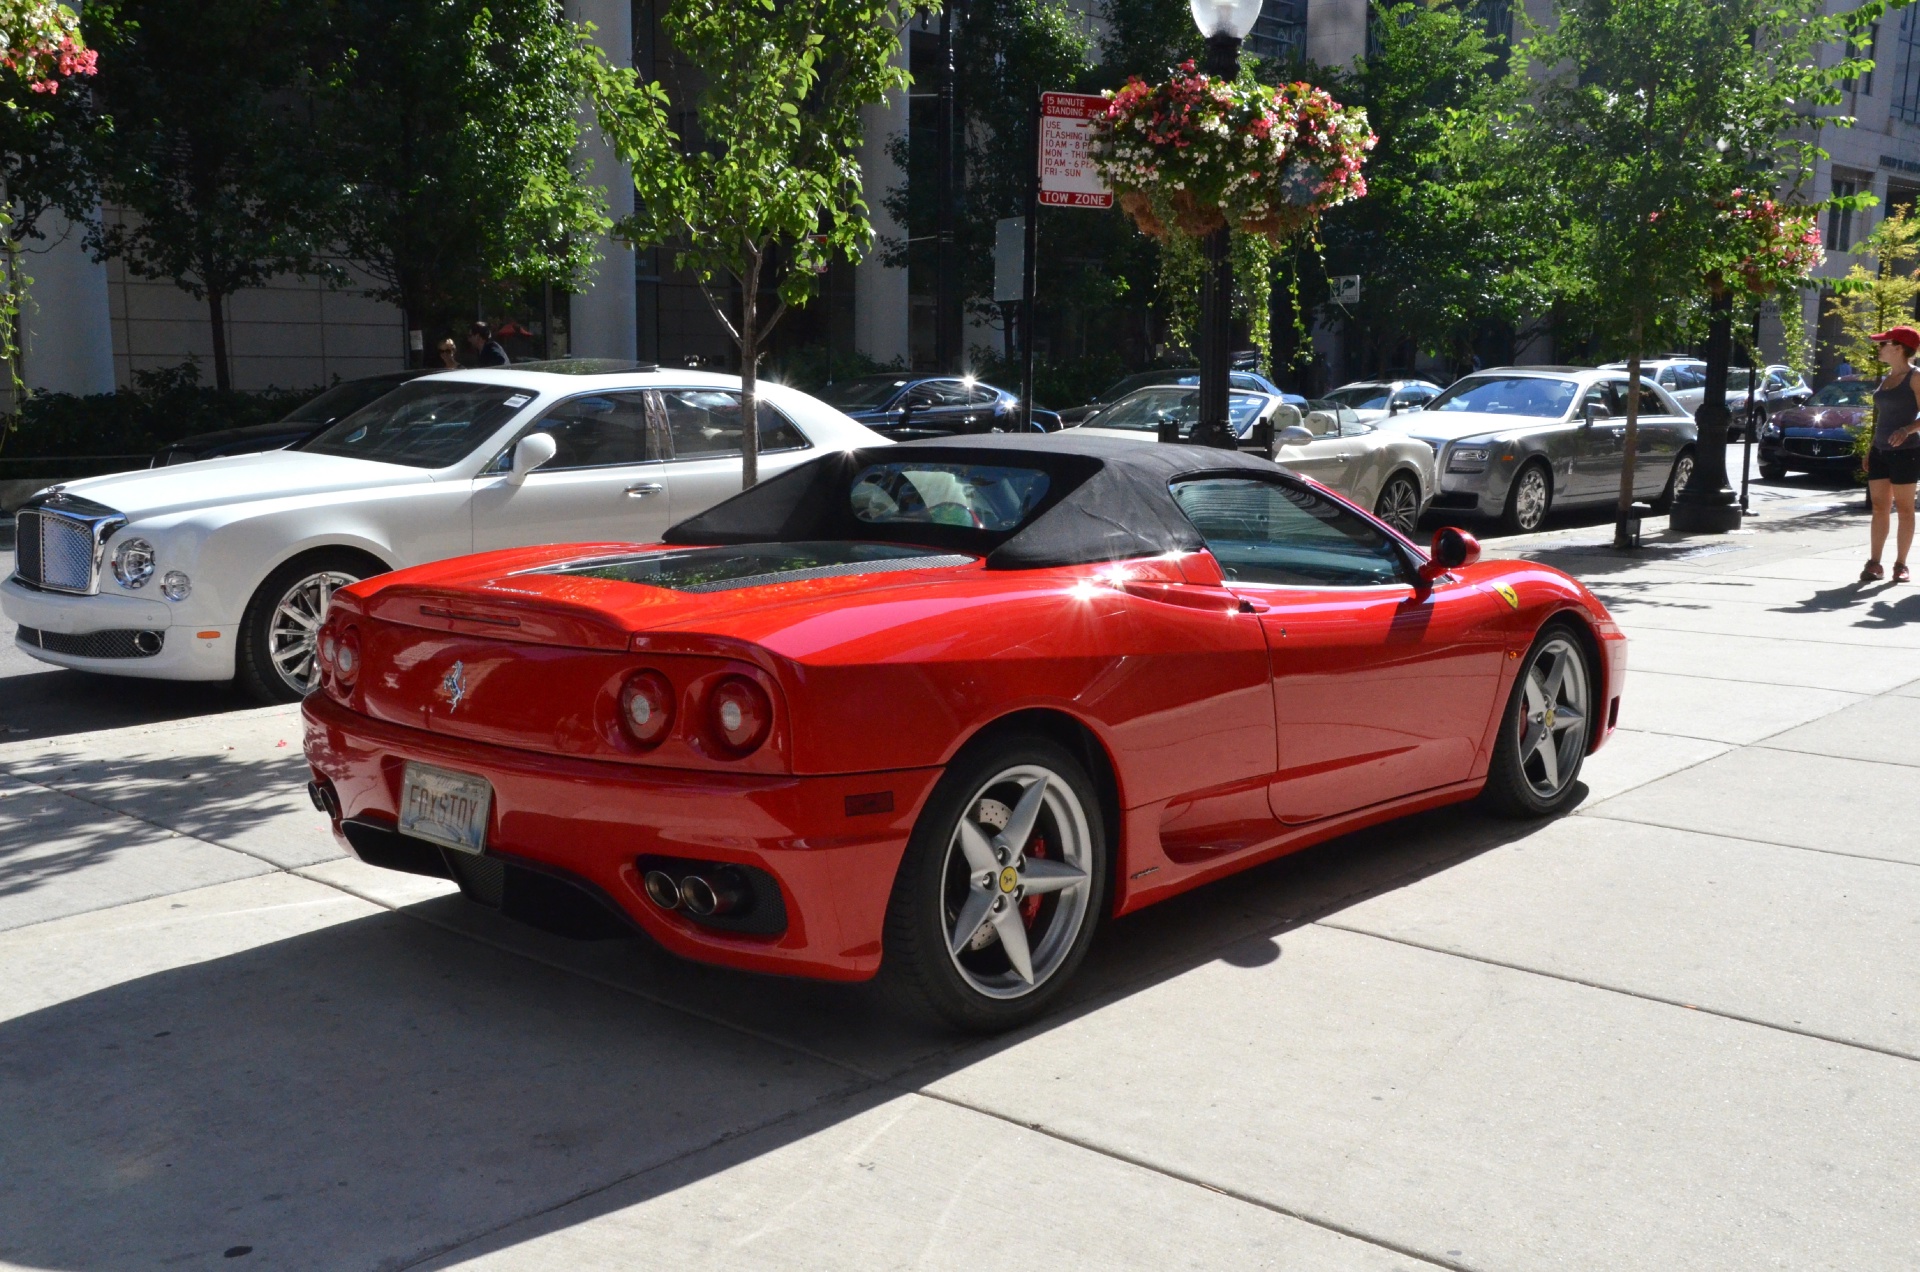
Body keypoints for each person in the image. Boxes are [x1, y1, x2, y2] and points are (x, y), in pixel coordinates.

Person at [1861, 325, 1920, 583]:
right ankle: (1874, 563)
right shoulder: (1885, 378)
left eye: (1884, 344)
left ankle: (1901, 564)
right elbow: (1882, 418)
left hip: (1906, 452)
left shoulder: (1915, 377)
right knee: (1879, 507)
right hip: (1880, 451)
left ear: (1899, 348)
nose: (1879, 347)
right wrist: (1870, 449)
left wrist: (1907, 429)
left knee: (1905, 509)